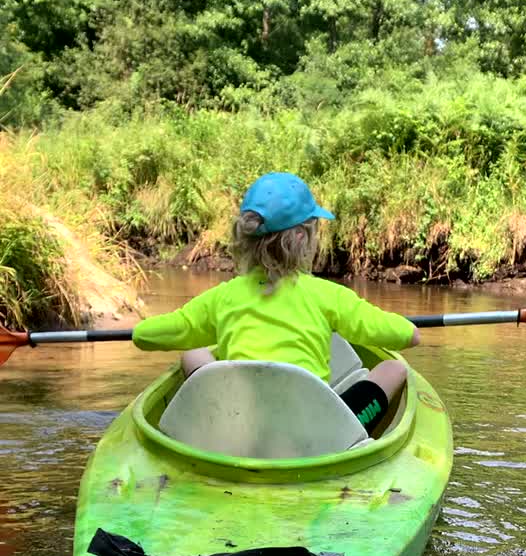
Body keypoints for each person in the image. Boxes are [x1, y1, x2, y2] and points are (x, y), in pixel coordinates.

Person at [133, 171, 421, 433]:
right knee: (394, 368)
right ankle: (354, 441)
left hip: (238, 429)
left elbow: (145, 336)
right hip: (317, 434)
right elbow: (406, 335)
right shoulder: (328, 295)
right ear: (301, 237)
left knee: (193, 352)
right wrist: (409, 329)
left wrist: (138, 331)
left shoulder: (223, 297)